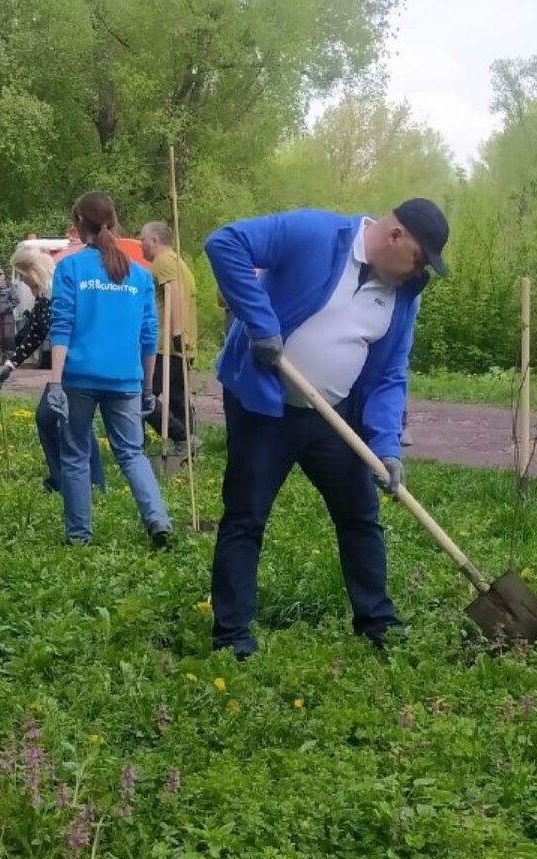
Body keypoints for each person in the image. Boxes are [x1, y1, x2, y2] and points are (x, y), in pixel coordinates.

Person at [204, 197, 449, 658]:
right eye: (419, 260)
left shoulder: (402, 297)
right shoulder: (315, 233)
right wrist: (260, 324)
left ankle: (378, 623)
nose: (419, 274)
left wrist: (386, 445)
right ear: (395, 236)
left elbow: (389, 374)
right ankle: (233, 635)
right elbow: (225, 243)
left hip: (333, 417)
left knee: (360, 517)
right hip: (265, 409)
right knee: (245, 515)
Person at [46, 191, 172, 547]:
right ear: (113, 222)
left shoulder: (70, 267)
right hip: (125, 378)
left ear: (79, 223)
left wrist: (55, 382)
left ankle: (79, 535)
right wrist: (148, 388)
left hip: (79, 378)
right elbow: (150, 335)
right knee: (132, 453)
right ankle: (158, 520)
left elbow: (62, 327)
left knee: (74, 454)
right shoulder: (141, 275)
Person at [0, 246, 105, 493]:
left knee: (72, 422)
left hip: (77, 365)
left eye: (23, 275)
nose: (22, 281)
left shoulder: (59, 291)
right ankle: (64, 478)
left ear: (34, 270)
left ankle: (92, 481)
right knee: (51, 418)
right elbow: (37, 334)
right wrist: (9, 365)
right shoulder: (42, 296)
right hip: (66, 368)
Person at [140, 221, 199, 450]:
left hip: (166, 344)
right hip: (182, 343)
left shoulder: (163, 262)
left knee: (142, 394)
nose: (141, 245)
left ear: (154, 240)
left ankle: (179, 436)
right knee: (176, 397)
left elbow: (174, 294)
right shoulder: (177, 261)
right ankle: (187, 444)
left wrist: (175, 333)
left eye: (143, 240)